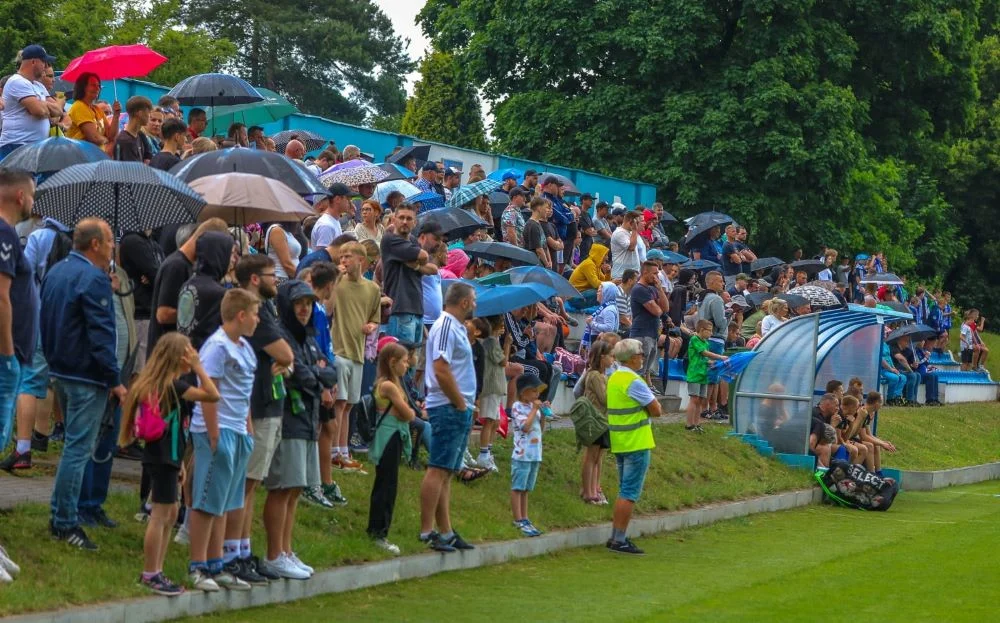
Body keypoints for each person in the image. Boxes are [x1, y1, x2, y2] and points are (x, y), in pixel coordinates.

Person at [38, 218, 125, 550]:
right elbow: (102, 337)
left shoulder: (57, 270)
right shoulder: (93, 278)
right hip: (87, 376)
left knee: (73, 449)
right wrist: (115, 380)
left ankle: (63, 514)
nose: (114, 246)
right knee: (78, 450)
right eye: (111, 241)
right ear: (96, 245)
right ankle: (64, 521)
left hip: (60, 369)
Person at [120, 333, 220, 596]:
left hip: (167, 458)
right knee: (161, 516)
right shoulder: (173, 387)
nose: (193, 355)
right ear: (179, 357)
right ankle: (150, 573)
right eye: (189, 352)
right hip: (163, 459)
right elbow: (212, 394)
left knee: (172, 513)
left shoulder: (158, 384)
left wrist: (181, 465)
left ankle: (158, 569)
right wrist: (199, 367)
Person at [260, 280, 336, 581]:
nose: (304, 309)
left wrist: (316, 374)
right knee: (282, 488)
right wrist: (317, 375)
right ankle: (274, 553)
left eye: (308, 303)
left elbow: (328, 370)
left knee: (294, 489)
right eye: (298, 304)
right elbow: (301, 375)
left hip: (308, 418)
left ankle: (286, 550)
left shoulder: (309, 336)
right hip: (290, 417)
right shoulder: (282, 334)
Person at [187, 288, 259, 592]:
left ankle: (218, 564)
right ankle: (198, 566)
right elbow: (209, 392)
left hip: (238, 431)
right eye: (255, 313)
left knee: (226, 502)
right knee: (207, 501)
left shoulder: (244, 346)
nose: (258, 319)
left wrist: (248, 427)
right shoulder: (217, 347)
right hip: (217, 431)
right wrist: (214, 434)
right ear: (240, 315)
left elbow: (243, 392)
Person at [229, 256, 294, 583]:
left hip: (265, 402)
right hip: (256, 405)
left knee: (250, 484)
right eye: (272, 275)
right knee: (246, 484)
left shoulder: (262, 308)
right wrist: (284, 359)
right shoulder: (254, 309)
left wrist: (286, 360)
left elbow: (287, 359)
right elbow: (284, 353)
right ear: (255, 279)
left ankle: (242, 551)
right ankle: (234, 554)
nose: (277, 280)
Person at [419, 282, 478, 552]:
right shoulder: (444, 325)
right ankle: (427, 530)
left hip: (458, 406)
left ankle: (446, 530)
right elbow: (441, 368)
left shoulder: (456, 327)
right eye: (473, 300)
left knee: (447, 471)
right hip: (448, 406)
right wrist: (458, 402)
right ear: (464, 302)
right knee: (438, 467)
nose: (476, 305)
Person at [606, 339, 662, 555]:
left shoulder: (615, 377)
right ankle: (618, 539)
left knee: (624, 490)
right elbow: (656, 409)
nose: (642, 356)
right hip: (636, 440)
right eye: (640, 353)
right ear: (631, 357)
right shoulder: (633, 380)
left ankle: (616, 536)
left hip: (620, 440)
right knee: (629, 492)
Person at [330, 242, 382, 473]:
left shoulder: (372, 289)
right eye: (341, 256)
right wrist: (333, 281)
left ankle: (343, 450)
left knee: (349, 404)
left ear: (361, 260)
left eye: (348, 256)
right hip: (338, 349)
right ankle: (334, 452)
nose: (343, 260)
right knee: (339, 403)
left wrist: (370, 326)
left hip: (358, 352)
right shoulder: (337, 283)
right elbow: (327, 309)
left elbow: (375, 317)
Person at [147, 218, 230, 356]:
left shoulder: (187, 265)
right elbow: (163, 314)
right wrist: (202, 312)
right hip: (167, 353)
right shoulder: (176, 266)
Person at [0, 169, 38, 460]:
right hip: (6, 356)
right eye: (33, 196)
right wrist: (9, 354)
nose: (33, 204)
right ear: (20, 196)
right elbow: (1, 297)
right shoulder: (5, 233)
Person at [366, 342, 415, 555]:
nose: (408, 365)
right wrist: (411, 412)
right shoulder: (388, 386)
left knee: (389, 484)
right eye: (404, 361)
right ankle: (378, 532)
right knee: (386, 485)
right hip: (388, 437)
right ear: (392, 362)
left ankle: (379, 531)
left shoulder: (393, 383)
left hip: (394, 435)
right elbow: (408, 414)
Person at [382, 206, 439, 344]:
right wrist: (421, 262)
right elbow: (423, 255)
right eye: (401, 217)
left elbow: (434, 269)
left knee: (412, 361)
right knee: (401, 359)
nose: (405, 222)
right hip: (400, 309)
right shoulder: (390, 240)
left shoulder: (413, 241)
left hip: (417, 310)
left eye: (409, 218)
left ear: (414, 223)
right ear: (394, 220)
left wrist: (417, 266)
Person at [176, 232, 236, 349]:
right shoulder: (218, 293)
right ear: (219, 255)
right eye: (231, 254)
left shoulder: (189, 283)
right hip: (206, 358)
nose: (234, 259)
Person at [0, 45, 62, 157]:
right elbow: (40, 112)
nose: (45, 66)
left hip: (34, 147)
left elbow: (59, 111)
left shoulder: (38, 85)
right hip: (16, 146)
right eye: (43, 62)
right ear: (33, 62)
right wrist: (42, 108)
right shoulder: (17, 81)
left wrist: (40, 104)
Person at [509, 374, 545, 537]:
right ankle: (518, 519)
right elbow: (525, 426)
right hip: (522, 454)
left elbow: (539, 428)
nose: (537, 395)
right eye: (533, 391)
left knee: (526, 489)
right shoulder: (517, 406)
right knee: (518, 487)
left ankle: (525, 517)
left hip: (534, 454)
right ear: (523, 392)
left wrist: (542, 413)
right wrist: (535, 410)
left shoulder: (533, 409)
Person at [575, 341, 611, 505]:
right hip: (594, 419)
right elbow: (604, 398)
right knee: (591, 456)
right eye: (611, 356)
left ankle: (592, 489)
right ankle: (588, 491)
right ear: (602, 357)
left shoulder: (603, 376)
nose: (613, 360)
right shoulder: (595, 375)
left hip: (602, 420)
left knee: (597, 457)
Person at [685, 320, 729, 432]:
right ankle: (689, 424)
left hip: (704, 374)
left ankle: (697, 424)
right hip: (695, 373)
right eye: (709, 330)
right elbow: (704, 353)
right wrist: (719, 357)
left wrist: (714, 363)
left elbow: (705, 359)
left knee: (700, 400)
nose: (711, 333)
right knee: (694, 399)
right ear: (701, 330)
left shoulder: (706, 342)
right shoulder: (695, 339)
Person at [630, 261, 668, 388]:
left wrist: (659, 289)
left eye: (657, 273)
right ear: (645, 272)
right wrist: (659, 307)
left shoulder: (652, 288)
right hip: (642, 334)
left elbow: (666, 308)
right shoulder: (639, 289)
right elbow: (657, 311)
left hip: (652, 334)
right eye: (654, 273)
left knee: (646, 370)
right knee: (639, 370)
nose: (657, 277)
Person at [476, 317, 507, 472]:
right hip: (491, 387)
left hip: (496, 386)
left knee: (495, 421)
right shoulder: (490, 342)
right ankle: (483, 454)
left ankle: (488, 451)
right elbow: (503, 362)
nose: (503, 328)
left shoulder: (493, 342)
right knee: (489, 420)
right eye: (500, 326)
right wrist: (507, 345)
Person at [66, 72, 120, 150]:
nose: (98, 88)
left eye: (98, 85)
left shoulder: (97, 109)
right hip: (80, 155)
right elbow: (94, 138)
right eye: (93, 85)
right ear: (83, 87)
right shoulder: (79, 106)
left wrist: (116, 115)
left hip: (95, 156)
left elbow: (111, 136)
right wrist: (107, 141)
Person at [310, 183, 351, 250]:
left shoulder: (333, 220)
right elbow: (322, 257)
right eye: (347, 198)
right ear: (337, 199)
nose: (349, 202)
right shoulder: (326, 225)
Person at [113, 96, 153, 163]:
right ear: (139, 113)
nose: (150, 116)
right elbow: (133, 171)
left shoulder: (139, 135)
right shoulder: (126, 141)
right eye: (148, 112)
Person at [610, 212, 641, 280]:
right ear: (631, 222)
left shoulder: (630, 232)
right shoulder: (619, 233)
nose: (637, 225)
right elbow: (631, 247)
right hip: (621, 275)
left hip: (632, 275)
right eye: (637, 223)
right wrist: (634, 230)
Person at [523, 196, 551, 268]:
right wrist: (547, 264)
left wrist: (549, 261)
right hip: (534, 265)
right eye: (546, 207)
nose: (547, 210)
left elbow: (544, 245)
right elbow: (539, 249)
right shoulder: (532, 225)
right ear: (539, 208)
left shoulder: (537, 223)